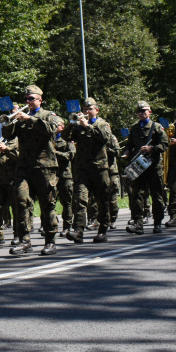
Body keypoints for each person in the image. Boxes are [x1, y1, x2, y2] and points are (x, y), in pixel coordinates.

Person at [4, 85, 61, 256]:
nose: (28, 102)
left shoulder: (48, 115)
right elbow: (8, 135)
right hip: (24, 167)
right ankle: (24, 240)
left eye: (31, 99)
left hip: (45, 167)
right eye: (26, 99)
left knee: (47, 204)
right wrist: (12, 118)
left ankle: (50, 241)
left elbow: (51, 130)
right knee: (21, 201)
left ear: (40, 100)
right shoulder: (21, 118)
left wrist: (30, 119)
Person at [65, 97, 113, 243]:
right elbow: (65, 137)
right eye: (85, 109)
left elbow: (105, 138)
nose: (86, 111)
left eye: (89, 109)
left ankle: (103, 230)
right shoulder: (78, 126)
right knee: (80, 199)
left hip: (99, 169)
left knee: (102, 200)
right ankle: (78, 231)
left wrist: (88, 126)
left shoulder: (102, 124)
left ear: (96, 110)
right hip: (82, 169)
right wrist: (72, 123)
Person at [122, 101, 168, 235]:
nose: (141, 113)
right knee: (137, 194)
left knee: (157, 195)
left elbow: (165, 144)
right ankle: (138, 223)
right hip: (139, 166)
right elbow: (130, 144)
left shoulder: (157, 127)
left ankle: (157, 222)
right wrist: (127, 151)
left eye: (144, 111)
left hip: (153, 166)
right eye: (139, 111)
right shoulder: (134, 128)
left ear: (150, 112)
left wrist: (151, 148)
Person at [53, 118, 75, 234]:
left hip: (64, 174)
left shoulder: (67, 140)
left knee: (66, 202)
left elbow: (70, 155)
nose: (54, 127)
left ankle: (67, 226)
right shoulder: (49, 138)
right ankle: (52, 224)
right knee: (49, 201)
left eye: (57, 125)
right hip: (51, 174)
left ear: (62, 127)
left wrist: (55, 153)